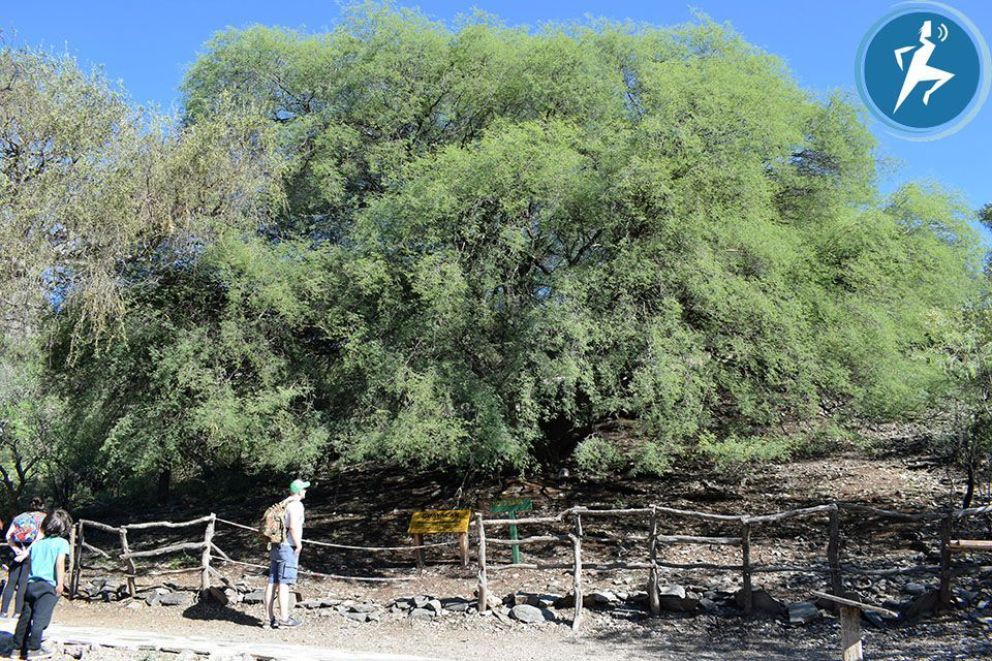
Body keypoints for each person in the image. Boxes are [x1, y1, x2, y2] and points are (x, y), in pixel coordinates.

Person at [13, 508, 72, 659]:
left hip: (31, 585)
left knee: (25, 618)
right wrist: (60, 584)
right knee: (40, 619)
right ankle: (34, 649)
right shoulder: (62, 543)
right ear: (64, 528)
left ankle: (17, 648)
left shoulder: (37, 544)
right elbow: (59, 563)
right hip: (47, 587)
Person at [264, 479, 309, 629]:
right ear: (298, 491)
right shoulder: (296, 505)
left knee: (272, 582)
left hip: (276, 545)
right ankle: (284, 618)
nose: (305, 491)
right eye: (303, 489)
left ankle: (268, 618)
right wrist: (299, 545)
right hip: (287, 546)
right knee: (284, 583)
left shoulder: (284, 503)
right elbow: (293, 526)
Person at [1, 498, 47, 619]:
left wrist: (16, 549)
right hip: (31, 551)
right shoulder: (43, 518)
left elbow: (8, 535)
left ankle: (3, 611)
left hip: (16, 549)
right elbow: (39, 537)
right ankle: (17, 612)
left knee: (11, 581)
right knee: (23, 583)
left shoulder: (19, 517)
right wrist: (26, 552)